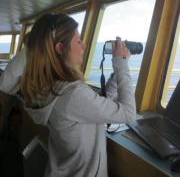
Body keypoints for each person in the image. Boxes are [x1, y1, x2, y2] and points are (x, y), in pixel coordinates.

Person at [20, 13, 136, 177]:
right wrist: (122, 65)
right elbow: (129, 113)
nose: (83, 46)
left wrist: (116, 74)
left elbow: (96, 106)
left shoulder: (49, 85)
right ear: (60, 48)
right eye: (78, 41)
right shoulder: (72, 94)